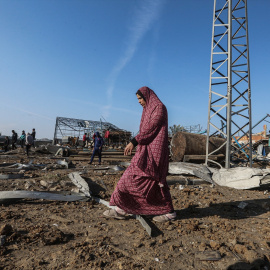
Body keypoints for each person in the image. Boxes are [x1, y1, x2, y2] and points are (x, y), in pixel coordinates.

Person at [103, 86, 176, 223]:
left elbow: (152, 128)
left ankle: (169, 213)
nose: (138, 101)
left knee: (155, 183)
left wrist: (134, 141)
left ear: (147, 96)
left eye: (140, 98)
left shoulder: (159, 108)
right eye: (137, 99)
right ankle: (122, 208)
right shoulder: (147, 110)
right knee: (131, 178)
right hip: (144, 151)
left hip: (155, 153)